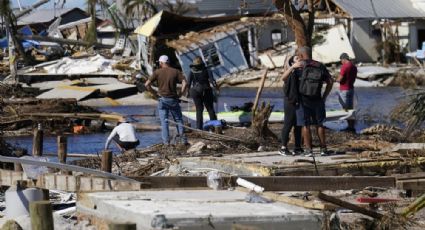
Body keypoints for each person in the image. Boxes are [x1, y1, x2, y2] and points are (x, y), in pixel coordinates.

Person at [296, 46, 334, 157]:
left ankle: (308, 150)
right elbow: (330, 82)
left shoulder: (300, 66)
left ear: (301, 55)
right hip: (318, 99)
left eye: (299, 55)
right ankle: (323, 149)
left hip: (303, 99)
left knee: (305, 125)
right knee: (320, 124)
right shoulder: (320, 65)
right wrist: (324, 96)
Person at [145, 55, 188, 145]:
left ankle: (166, 143)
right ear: (168, 62)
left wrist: (153, 93)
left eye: (159, 63)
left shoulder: (157, 72)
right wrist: (181, 93)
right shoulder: (175, 71)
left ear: (161, 62)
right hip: (173, 99)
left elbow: (147, 84)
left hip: (162, 99)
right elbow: (185, 82)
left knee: (164, 122)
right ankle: (183, 141)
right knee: (179, 120)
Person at [278, 55, 303, 156]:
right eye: (297, 59)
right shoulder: (291, 72)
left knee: (298, 125)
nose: (299, 60)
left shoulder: (302, 72)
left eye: (300, 58)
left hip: (300, 101)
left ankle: (297, 147)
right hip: (290, 101)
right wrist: (292, 67)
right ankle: (283, 147)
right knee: (288, 124)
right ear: (292, 63)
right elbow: (282, 78)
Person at [188, 56, 218, 130]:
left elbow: (188, 83)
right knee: (210, 109)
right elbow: (212, 81)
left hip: (195, 91)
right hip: (206, 90)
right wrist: (216, 89)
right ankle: (213, 127)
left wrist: (188, 93)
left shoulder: (191, 71)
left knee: (199, 110)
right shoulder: (207, 69)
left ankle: (199, 128)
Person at [336, 52, 356, 131]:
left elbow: (340, 79)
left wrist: (335, 79)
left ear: (343, 59)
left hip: (344, 90)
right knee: (350, 109)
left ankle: (349, 127)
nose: (341, 62)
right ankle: (352, 126)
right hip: (351, 89)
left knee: (346, 109)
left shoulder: (344, 66)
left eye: (341, 60)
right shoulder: (354, 66)